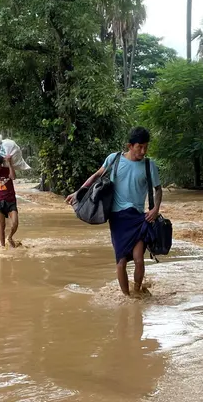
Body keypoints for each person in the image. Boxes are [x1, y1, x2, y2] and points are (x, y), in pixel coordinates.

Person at [66, 127, 162, 297]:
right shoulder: (114, 159)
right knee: (121, 262)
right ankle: (127, 297)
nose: (143, 151)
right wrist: (78, 192)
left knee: (139, 259)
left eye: (146, 147)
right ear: (130, 146)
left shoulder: (149, 165)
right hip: (117, 218)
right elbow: (96, 176)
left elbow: (158, 189)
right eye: (140, 147)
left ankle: (137, 293)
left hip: (139, 217)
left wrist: (155, 209)